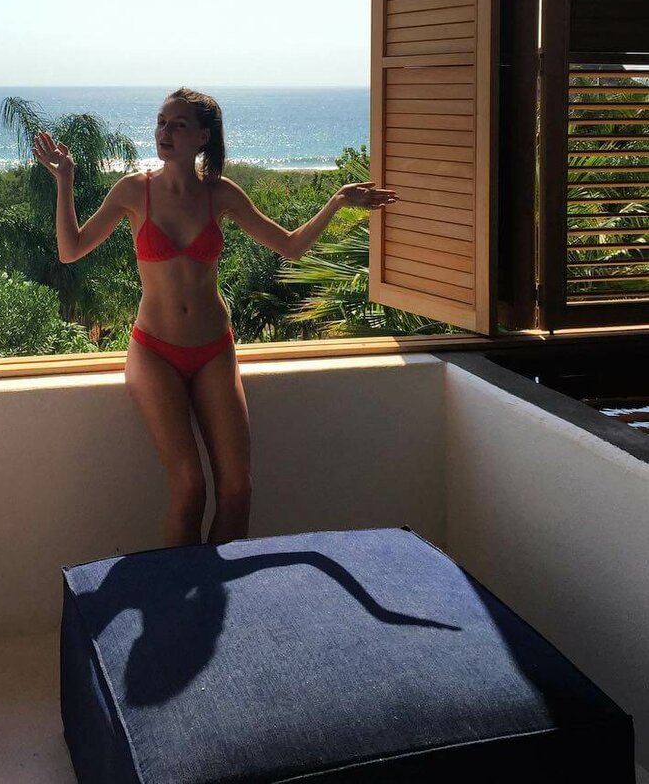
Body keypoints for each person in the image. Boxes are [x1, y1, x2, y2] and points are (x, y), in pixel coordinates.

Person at [32, 88, 398, 550]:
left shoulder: (220, 194)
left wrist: (338, 201)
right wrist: (64, 180)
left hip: (213, 351)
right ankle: (178, 590)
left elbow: (289, 246)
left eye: (178, 124)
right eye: (161, 122)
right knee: (190, 487)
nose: (164, 132)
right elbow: (70, 250)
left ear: (203, 137)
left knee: (238, 490)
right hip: (154, 351)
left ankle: (216, 589)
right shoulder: (133, 190)